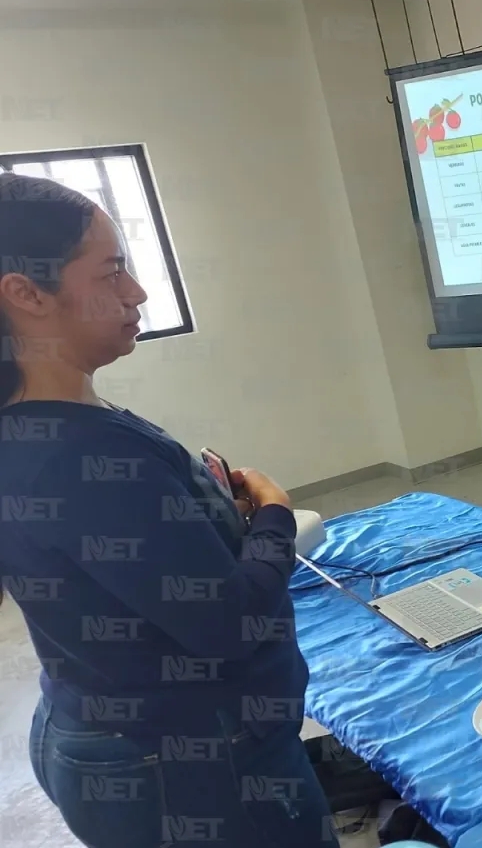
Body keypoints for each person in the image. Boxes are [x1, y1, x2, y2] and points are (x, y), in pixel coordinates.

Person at [0, 173, 333, 847]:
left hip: (104, 724)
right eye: (112, 271)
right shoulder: (72, 455)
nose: (138, 293)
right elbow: (230, 621)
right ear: (26, 292)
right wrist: (273, 514)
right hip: (191, 762)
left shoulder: (46, 425)